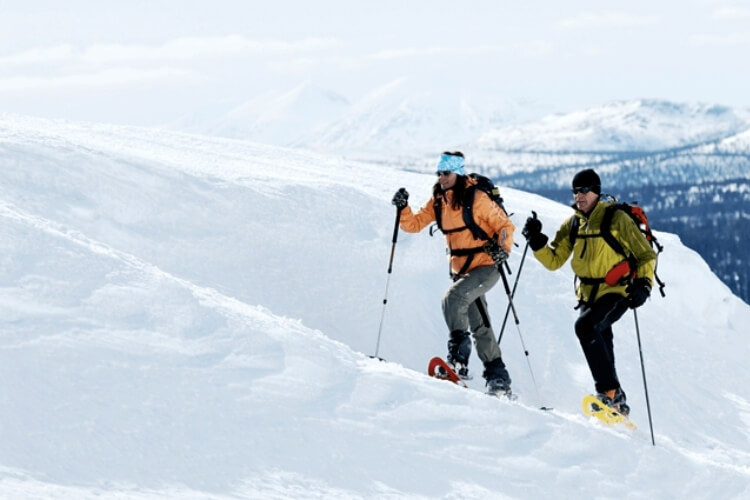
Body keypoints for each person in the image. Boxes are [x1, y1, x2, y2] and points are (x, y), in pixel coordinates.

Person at [521, 168, 656, 415]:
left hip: (617, 290)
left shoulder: (617, 220)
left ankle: (608, 393)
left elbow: (645, 254)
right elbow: (554, 261)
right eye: (575, 191)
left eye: (584, 190)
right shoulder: (573, 223)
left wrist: (644, 285)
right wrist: (537, 240)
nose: (579, 196)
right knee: (601, 339)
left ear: (596, 191)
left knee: (585, 327)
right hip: (587, 294)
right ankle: (617, 399)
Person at [391, 151, 516, 395]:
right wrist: (403, 207)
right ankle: (498, 377)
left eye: (446, 173)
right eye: (438, 173)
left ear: (457, 173)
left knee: (453, 298)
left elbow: (505, 226)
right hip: (462, 271)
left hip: (486, 265)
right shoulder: (439, 200)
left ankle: (458, 361)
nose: (441, 177)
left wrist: (503, 249)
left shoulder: (477, 198)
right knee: (481, 324)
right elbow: (413, 224)